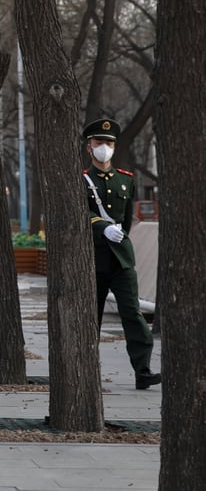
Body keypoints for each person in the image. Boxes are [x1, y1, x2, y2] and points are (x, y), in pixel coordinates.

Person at [82, 118, 161, 390]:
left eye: (109, 143)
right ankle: (86, 372)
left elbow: (126, 221)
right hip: (93, 257)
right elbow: (82, 214)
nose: (104, 147)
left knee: (132, 314)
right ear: (89, 147)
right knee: (90, 316)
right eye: (99, 142)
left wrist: (117, 235)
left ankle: (143, 369)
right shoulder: (83, 180)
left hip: (121, 259)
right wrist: (101, 228)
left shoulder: (125, 180)